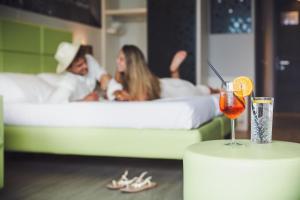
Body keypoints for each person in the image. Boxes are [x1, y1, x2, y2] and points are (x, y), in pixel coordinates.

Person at [114, 44, 217, 101]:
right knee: (180, 85)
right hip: (169, 85)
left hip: (175, 89)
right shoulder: (127, 78)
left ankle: (219, 90)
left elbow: (142, 98)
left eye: (121, 59)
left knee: (202, 90)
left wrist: (127, 96)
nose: (117, 61)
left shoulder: (143, 82)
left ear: (132, 62)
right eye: (118, 58)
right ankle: (174, 70)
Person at [48, 42, 122, 103]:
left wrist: (117, 92)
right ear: (69, 69)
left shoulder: (89, 59)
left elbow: (104, 76)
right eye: (79, 65)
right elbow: (54, 105)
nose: (85, 66)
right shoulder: (68, 82)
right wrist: (84, 101)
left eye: (84, 61)